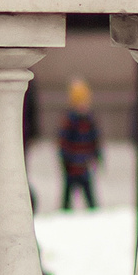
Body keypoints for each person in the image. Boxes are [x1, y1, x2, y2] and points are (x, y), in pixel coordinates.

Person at [58, 80, 102, 210]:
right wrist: (65, 159)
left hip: (84, 165)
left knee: (89, 193)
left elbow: (95, 141)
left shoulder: (90, 121)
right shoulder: (69, 121)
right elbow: (64, 142)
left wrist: (96, 155)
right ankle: (65, 212)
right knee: (67, 193)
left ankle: (93, 212)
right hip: (71, 166)